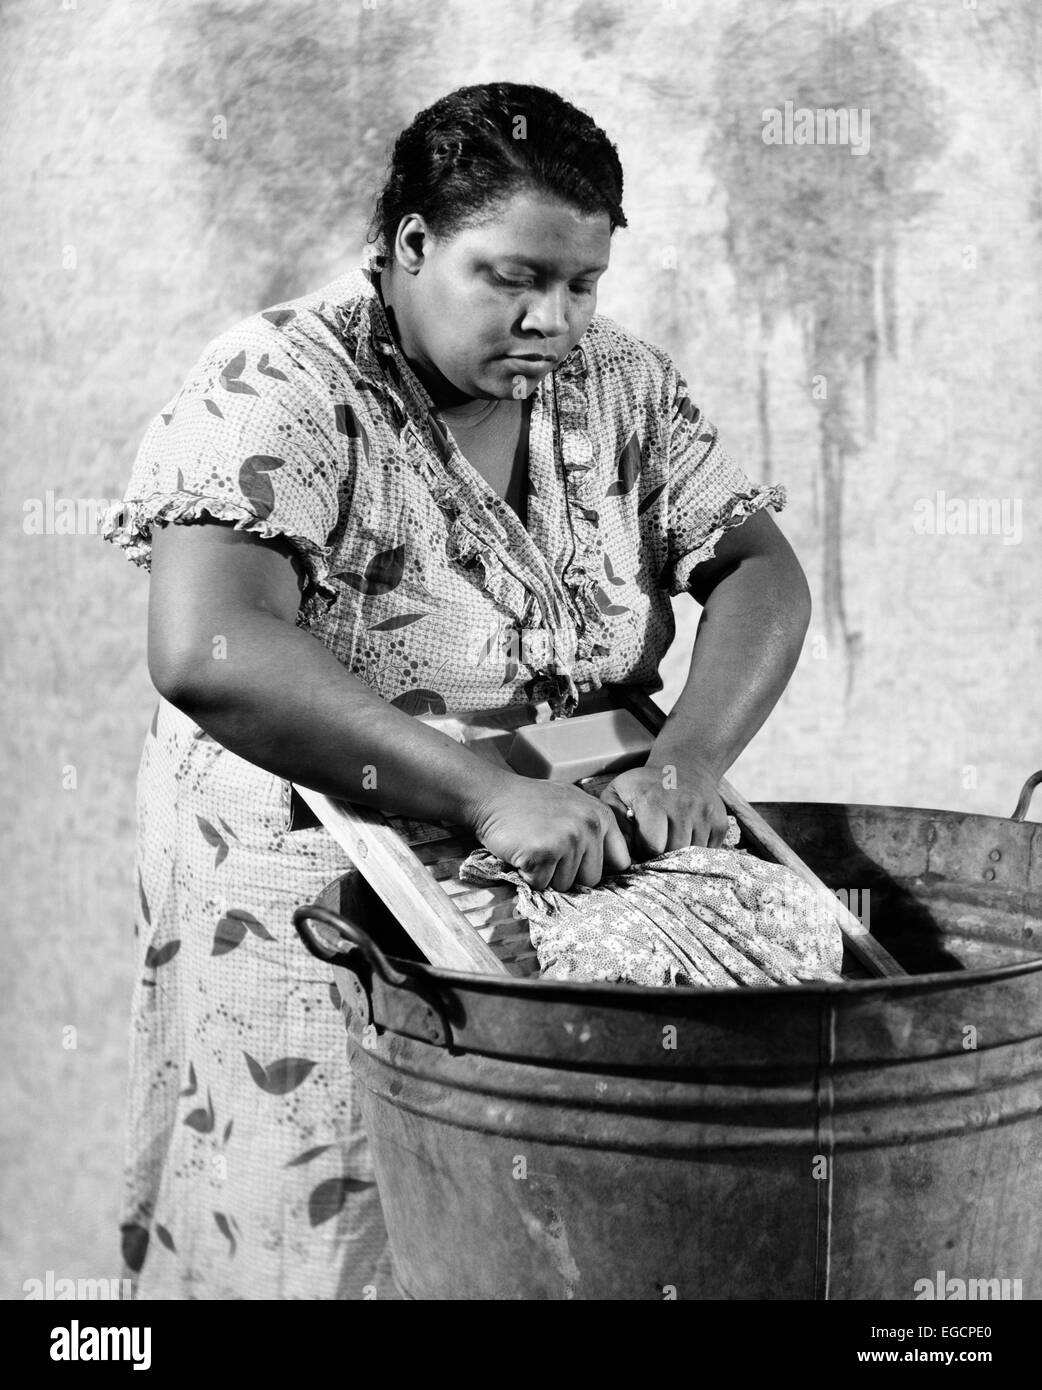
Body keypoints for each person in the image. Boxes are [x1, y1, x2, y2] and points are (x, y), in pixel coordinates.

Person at [102, 81, 810, 1300]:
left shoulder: (618, 387)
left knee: (538, 1220)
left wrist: (687, 759)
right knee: (320, 1218)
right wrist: (484, 796)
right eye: (511, 276)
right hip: (312, 874)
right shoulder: (282, 382)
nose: (552, 317)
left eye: (581, 283)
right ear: (412, 243)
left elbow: (757, 569)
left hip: (566, 854)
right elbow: (208, 649)